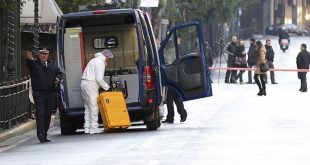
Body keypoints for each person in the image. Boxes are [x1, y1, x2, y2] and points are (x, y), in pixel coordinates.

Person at [26, 47, 63, 143]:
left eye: (46, 54)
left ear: (48, 55)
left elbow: (59, 73)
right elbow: (29, 65)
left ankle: (45, 133)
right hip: (39, 93)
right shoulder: (34, 64)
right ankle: (41, 134)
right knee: (40, 113)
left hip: (51, 93)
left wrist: (58, 78)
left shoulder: (52, 64)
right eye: (42, 54)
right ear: (39, 55)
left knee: (47, 114)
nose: (44, 55)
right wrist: (29, 59)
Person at [81, 49, 113, 134]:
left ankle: (87, 128)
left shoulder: (93, 60)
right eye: (108, 58)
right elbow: (99, 79)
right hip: (91, 85)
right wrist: (107, 88)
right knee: (94, 107)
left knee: (87, 107)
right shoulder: (100, 62)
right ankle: (94, 128)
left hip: (83, 83)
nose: (108, 60)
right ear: (106, 57)